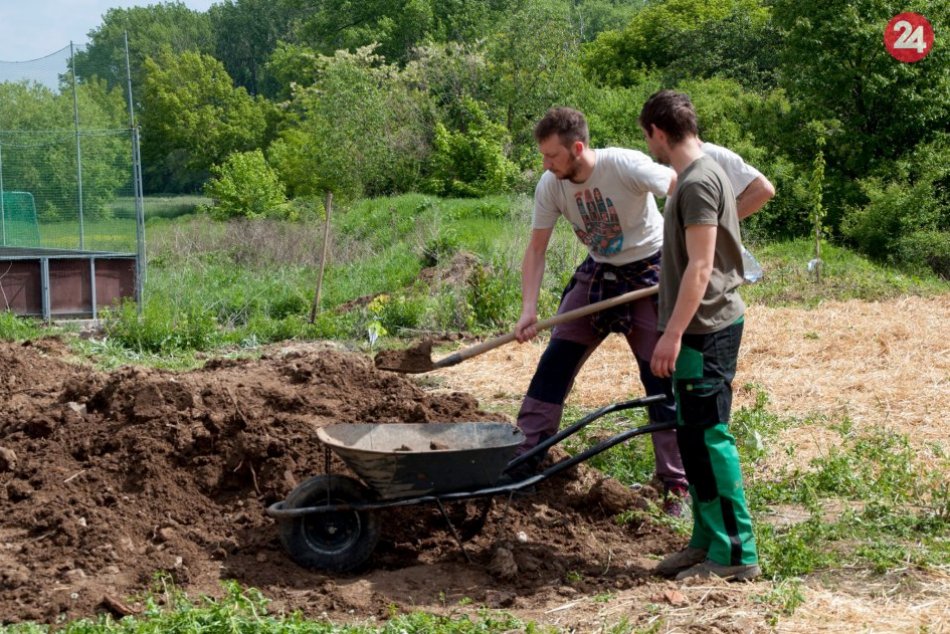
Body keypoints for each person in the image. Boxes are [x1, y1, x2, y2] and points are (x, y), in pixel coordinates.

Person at [511, 106, 688, 513]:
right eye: (543, 156)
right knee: (554, 363)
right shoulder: (551, 184)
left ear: (577, 148)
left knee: (660, 377)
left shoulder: (624, 165)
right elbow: (536, 248)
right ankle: (523, 460)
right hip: (599, 273)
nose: (545, 164)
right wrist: (528, 309)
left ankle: (675, 485)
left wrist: (688, 246)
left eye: (552, 155)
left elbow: (680, 185)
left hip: (649, 274)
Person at [639, 89, 761, 581]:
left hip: (704, 329)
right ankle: (706, 539)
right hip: (701, 326)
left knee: (709, 437)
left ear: (658, 132)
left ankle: (736, 553)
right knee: (690, 436)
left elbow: (701, 266)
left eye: (646, 137)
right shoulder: (700, 175)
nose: (648, 146)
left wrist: (671, 334)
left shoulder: (696, 183)